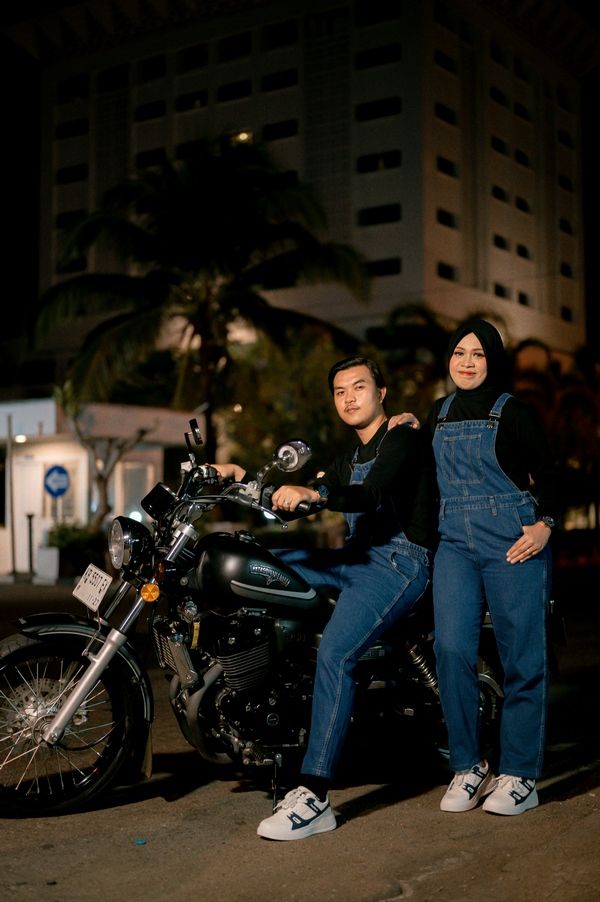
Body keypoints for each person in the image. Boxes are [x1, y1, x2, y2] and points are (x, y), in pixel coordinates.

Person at [212, 356, 436, 840]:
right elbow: (297, 500)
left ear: (381, 393)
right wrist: (238, 477)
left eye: (359, 387)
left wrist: (318, 496)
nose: (349, 397)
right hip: (355, 556)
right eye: (339, 391)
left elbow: (371, 495)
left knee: (337, 652)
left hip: (400, 562)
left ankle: (314, 795)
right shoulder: (347, 459)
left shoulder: (401, 437)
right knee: (259, 564)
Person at [391, 319, 560, 816]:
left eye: (478, 354)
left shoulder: (514, 412)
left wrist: (546, 525)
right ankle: (469, 766)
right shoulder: (437, 413)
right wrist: (405, 428)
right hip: (454, 546)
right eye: (459, 353)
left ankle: (520, 774)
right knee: (450, 651)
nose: (466, 362)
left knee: (521, 658)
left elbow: (550, 475)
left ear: (493, 361)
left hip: (513, 541)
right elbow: (421, 476)